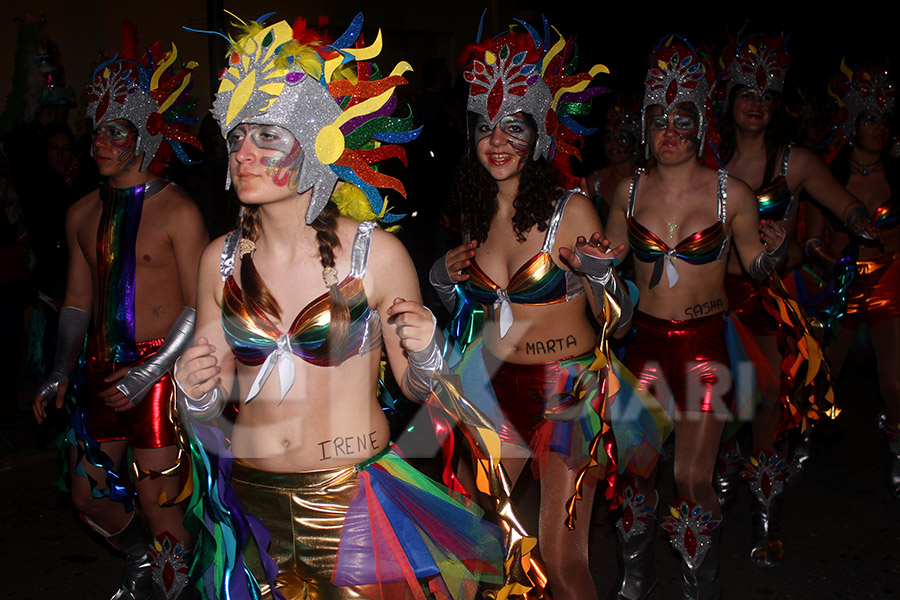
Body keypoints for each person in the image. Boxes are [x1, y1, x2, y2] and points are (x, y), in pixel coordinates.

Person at [174, 15, 503, 600]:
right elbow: (216, 387)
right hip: (252, 501)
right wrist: (193, 388)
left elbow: (416, 387)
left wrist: (428, 350)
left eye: (266, 136)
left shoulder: (375, 255)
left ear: (317, 144)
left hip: (353, 503)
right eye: (237, 137)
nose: (244, 154)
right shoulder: (218, 261)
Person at [429, 16, 630, 599]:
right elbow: (476, 317)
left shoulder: (574, 211)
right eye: (486, 127)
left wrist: (602, 279)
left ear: (540, 135)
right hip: (496, 387)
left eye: (513, 127)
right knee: (477, 541)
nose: (497, 142)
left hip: (567, 395)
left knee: (563, 561)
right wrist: (443, 284)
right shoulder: (473, 211)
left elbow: (623, 322)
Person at [602, 36, 787, 600]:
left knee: (689, 477)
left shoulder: (734, 195)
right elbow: (609, 272)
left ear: (703, 124)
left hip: (707, 345)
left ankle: (700, 585)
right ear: (646, 126)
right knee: (636, 476)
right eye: (660, 119)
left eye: (684, 119)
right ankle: (637, 578)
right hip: (641, 347)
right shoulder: (627, 192)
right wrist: (592, 269)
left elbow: (755, 266)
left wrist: (773, 254)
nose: (672, 132)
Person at [32, 40, 207, 600]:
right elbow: (77, 302)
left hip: (161, 376)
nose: (100, 143)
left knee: (164, 513)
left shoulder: (177, 209)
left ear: (147, 137)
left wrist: (150, 371)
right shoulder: (82, 212)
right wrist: (60, 369)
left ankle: (170, 581)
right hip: (100, 375)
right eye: (98, 130)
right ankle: (140, 559)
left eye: (117, 133)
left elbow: (200, 305)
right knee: (88, 496)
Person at [716, 34, 877, 566]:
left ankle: (767, 521)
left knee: (767, 407)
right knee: (710, 410)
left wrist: (860, 221)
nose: (757, 103)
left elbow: (845, 203)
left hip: (768, 300)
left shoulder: (796, 161)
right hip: (712, 302)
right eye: (746, 92)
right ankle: (710, 506)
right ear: (729, 99)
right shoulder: (704, 159)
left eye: (766, 93)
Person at [806, 62, 900, 502]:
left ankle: (898, 447)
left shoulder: (898, 175)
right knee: (824, 373)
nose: (878, 128)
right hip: (843, 284)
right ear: (851, 123)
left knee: (895, 380)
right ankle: (802, 438)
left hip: (890, 284)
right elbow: (810, 240)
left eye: (883, 118)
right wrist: (833, 264)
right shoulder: (829, 178)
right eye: (868, 118)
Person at [581, 98, 642, 224]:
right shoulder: (593, 181)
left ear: (635, 143)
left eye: (622, 139)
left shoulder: (646, 178)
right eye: (609, 138)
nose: (613, 144)